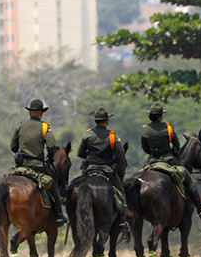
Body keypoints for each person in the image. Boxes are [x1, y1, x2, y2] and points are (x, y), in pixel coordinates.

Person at [140, 102, 201, 219]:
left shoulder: (145, 130)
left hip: (152, 160)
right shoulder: (168, 128)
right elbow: (176, 145)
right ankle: (200, 208)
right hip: (169, 159)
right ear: (160, 116)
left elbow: (145, 148)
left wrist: (153, 153)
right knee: (188, 179)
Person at [10, 99, 68, 227]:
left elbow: (13, 147)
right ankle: (59, 216)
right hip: (38, 167)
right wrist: (50, 155)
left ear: (30, 113)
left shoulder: (20, 127)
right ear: (41, 113)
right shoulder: (45, 127)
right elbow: (51, 146)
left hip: (20, 167)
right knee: (53, 188)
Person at [77, 107, 130, 232]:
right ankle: (122, 219)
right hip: (107, 170)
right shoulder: (112, 136)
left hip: (89, 169)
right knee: (121, 194)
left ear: (95, 121)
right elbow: (121, 157)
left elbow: (80, 153)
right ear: (106, 121)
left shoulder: (87, 134)